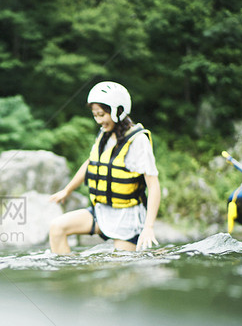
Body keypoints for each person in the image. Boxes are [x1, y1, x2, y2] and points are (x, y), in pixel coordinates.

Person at [48, 81, 161, 253]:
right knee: (57, 228)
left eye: (101, 114)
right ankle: (67, 276)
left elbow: (153, 185)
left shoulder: (138, 141)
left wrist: (149, 227)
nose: (98, 120)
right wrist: (67, 190)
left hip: (127, 218)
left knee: (115, 271)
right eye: (95, 115)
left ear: (119, 111)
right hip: (101, 212)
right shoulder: (104, 135)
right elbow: (91, 163)